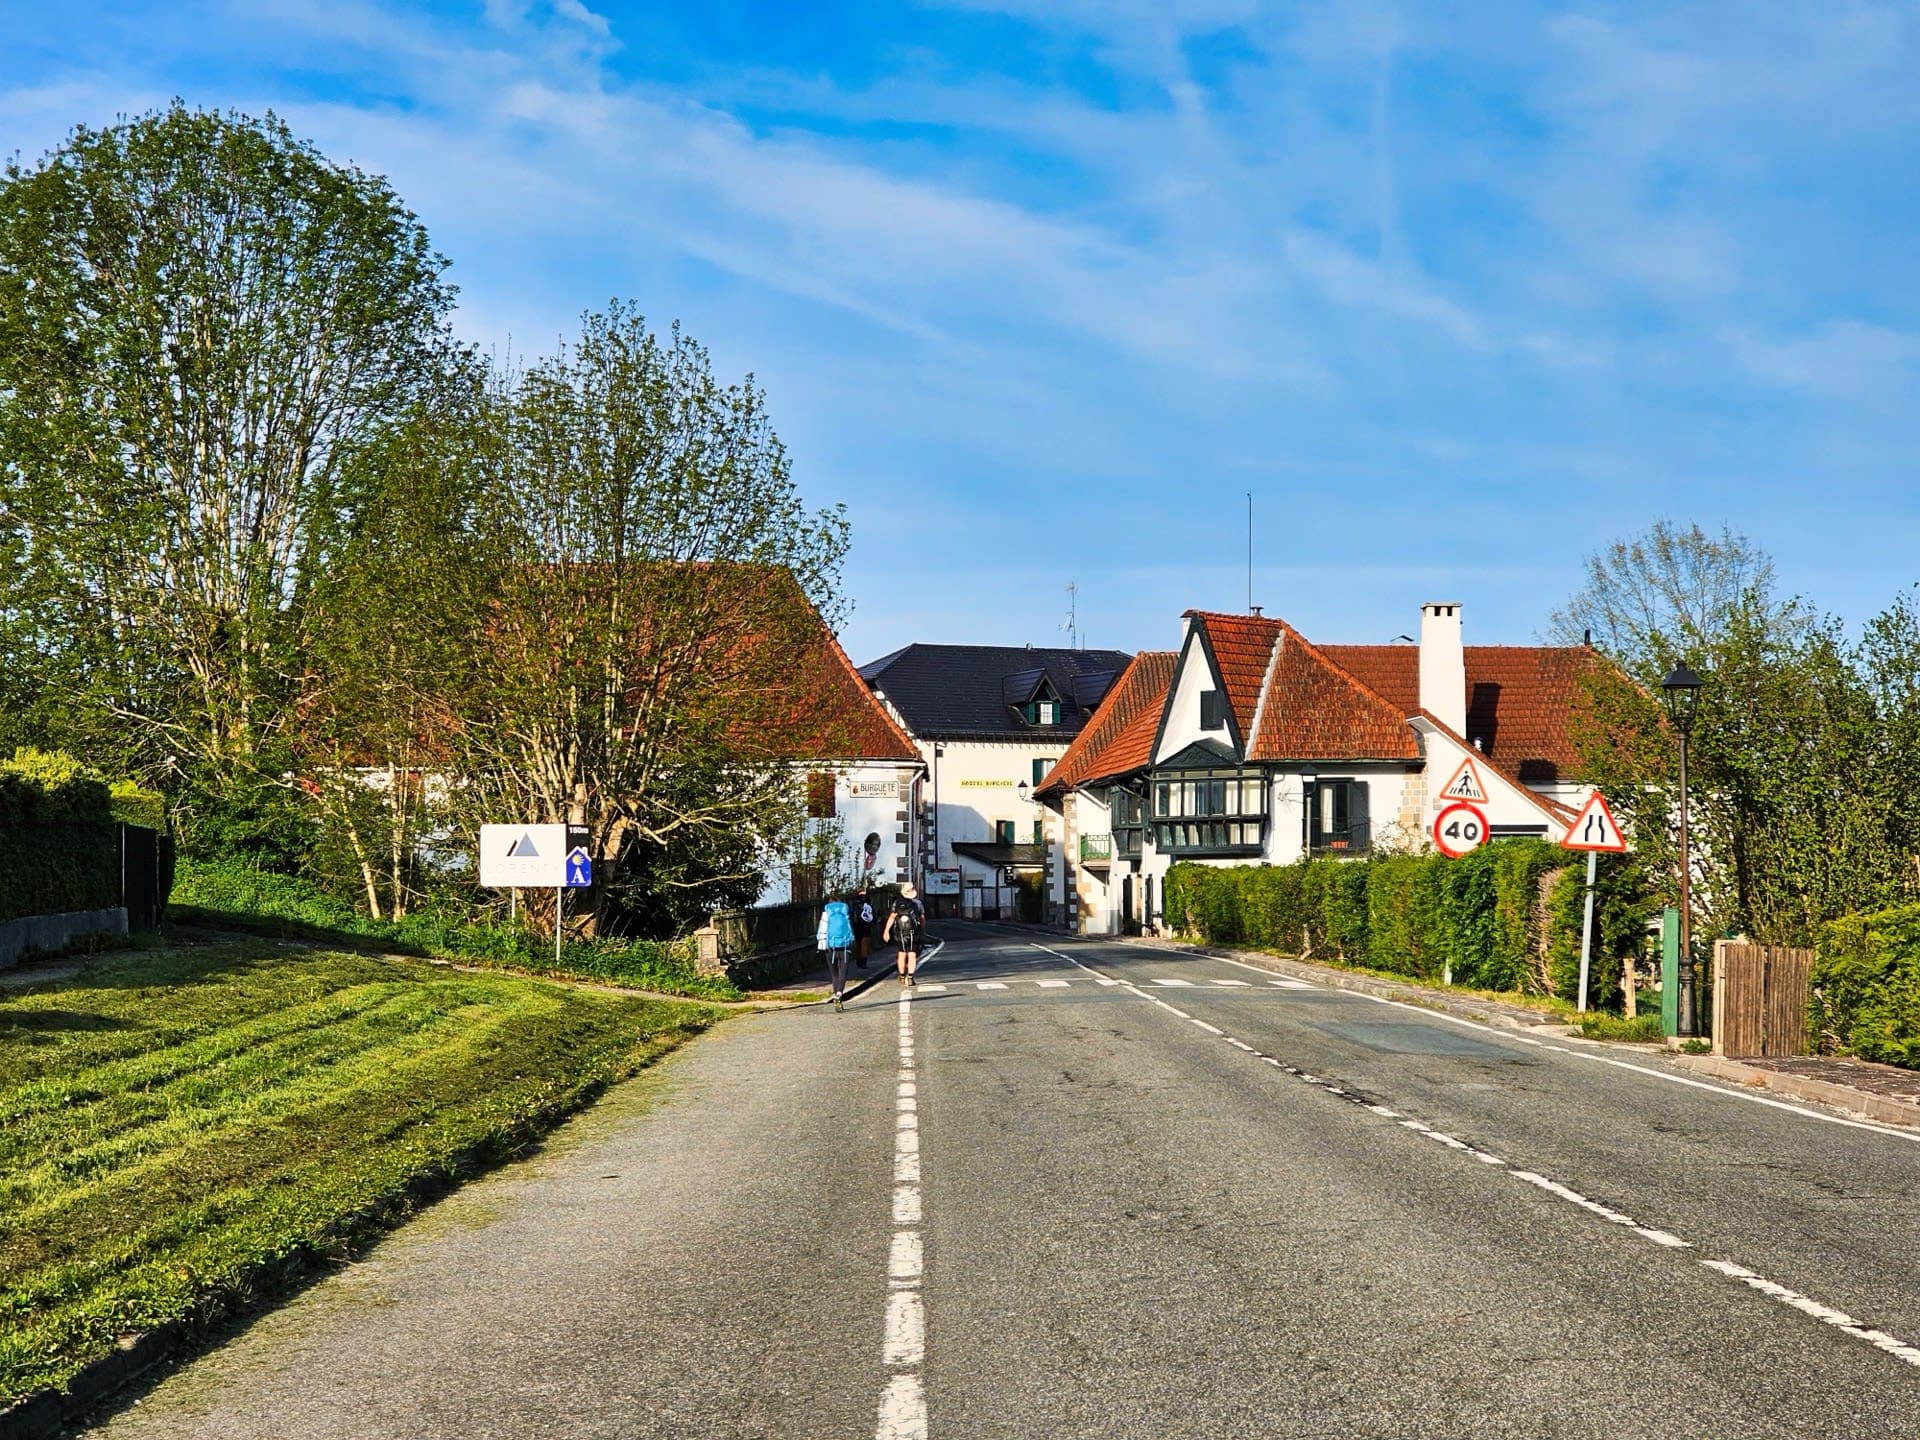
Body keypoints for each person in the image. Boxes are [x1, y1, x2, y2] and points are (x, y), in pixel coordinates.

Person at [817, 894, 856, 1011]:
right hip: (845, 947)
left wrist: (821, 945)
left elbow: (821, 933)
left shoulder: (826, 914)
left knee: (834, 975)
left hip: (830, 948)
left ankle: (835, 996)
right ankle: (839, 994)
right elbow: (851, 930)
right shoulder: (845, 912)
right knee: (843, 973)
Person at [883, 882, 926, 986]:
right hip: (913, 933)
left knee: (901, 953)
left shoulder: (897, 903)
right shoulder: (918, 903)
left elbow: (892, 917)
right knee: (912, 954)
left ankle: (902, 975)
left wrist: (886, 931)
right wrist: (923, 931)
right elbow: (922, 918)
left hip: (900, 932)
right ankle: (910, 977)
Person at [854, 889, 874, 969]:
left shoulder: (855, 904)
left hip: (857, 926)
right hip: (866, 926)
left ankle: (859, 961)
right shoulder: (869, 905)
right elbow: (873, 916)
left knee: (858, 944)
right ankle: (863, 962)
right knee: (864, 945)